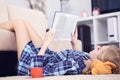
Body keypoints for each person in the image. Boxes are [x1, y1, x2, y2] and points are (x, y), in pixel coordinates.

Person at [0, 20, 120, 76]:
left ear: (98, 62)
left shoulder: (73, 65)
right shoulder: (87, 59)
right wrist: (74, 44)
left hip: (31, 63)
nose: (97, 46)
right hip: (45, 55)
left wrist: (46, 43)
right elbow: (76, 56)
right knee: (26, 23)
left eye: (99, 49)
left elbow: (36, 72)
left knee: (19, 23)